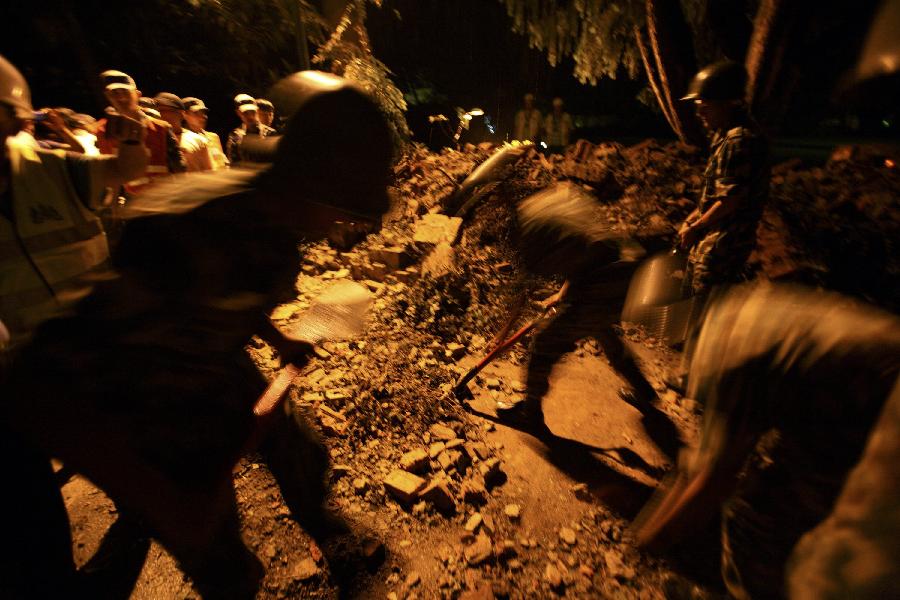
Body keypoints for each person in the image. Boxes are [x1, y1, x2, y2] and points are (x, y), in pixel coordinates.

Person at [5, 70, 392, 599]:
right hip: (142, 394)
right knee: (223, 560)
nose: (340, 222)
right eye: (338, 203)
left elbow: (227, 295)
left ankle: (333, 540)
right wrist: (159, 495)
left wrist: (277, 341)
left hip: (213, 361)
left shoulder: (282, 229)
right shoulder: (181, 222)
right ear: (302, 174)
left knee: (297, 449)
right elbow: (37, 389)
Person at [632, 283, 900, 599]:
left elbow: (715, 478)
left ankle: (743, 588)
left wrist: (652, 540)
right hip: (853, 399)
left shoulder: (734, 363)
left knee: (758, 517)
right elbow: (705, 460)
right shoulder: (743, 314)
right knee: (793, 487)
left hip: (878, 415)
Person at [0, 54, 149, 598]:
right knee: (27, 491)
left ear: (10, 117)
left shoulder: (55, 169)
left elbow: (125, 175)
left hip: (92, 343)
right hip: (22, 366)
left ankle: (137, 515)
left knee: (115, 447)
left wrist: (131, 142)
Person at [676, 61, 769, 296]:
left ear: (726, 105)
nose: (699, 114)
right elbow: (715, 194)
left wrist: (696, 227)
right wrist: (690, 221)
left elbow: (729, 200)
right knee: (695, 298)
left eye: (705, 106)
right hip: (713, 238)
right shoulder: (726, 138)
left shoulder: (740, 141)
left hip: (726, 241)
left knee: (707, 306)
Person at [96, 70, 185, 192]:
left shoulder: (161, 128)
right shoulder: (103, 131)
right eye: (114, 93)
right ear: (108, 96)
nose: (121, 98)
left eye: (125, 92)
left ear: (137, 94)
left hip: (166, 200)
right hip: (132, 205)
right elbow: (110, 174)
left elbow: (179, 168)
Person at [154, 92, 213, 172]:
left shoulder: (199, 140)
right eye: (158, 110)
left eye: (166, 110)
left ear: (181, 114)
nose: (161, 114)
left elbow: (209, 172)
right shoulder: (152, 138)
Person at [226, 93, 275, 166]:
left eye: (252, 111)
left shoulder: (270, 133)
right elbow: (233, 163)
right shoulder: (235, 136)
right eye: (245, 113)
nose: (250, 116)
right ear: (238, 113)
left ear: (257, 110)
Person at [183, 96, 229, 169]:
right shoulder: (183, 140)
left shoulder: (213, 137)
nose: (203, 117)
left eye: (203, 112)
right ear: (184, 115)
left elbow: (223, 164)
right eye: (196, 113)